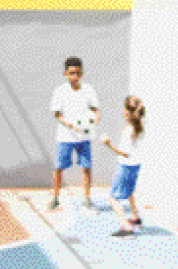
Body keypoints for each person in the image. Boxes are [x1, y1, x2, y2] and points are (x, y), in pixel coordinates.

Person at [49, 57, 100, 212]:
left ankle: (87, 199)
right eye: (71, 73)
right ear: (65, 73)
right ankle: (55, 199)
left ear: (81, 73)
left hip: (84, 138)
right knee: (58, 168)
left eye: (77, 73)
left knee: (86, 168)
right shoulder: (60, 91)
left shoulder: (89, 90)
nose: (74, 76)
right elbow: (56, 113)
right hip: (65, 137)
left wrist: (93, 121)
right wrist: (68, 124)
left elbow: (95, 110)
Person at [101, 96, 146, 238]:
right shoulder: (140, 127)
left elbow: (125, 153)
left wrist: (108, 144)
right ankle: (136, 219)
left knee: (114, 198)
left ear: (128, 112)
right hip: (135, 166)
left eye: (124, 108)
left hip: (126, 166)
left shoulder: (129, 130)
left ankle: (127, 228)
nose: (122, 111)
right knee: (130, 192)